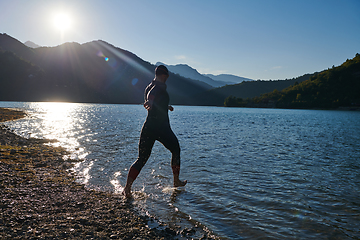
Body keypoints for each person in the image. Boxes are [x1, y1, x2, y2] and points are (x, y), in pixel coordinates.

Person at [122, 65, 187, 198]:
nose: (167, 78)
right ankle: (176, 181)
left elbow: (153, 96)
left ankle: (127, 188)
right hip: (161, 127)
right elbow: (153, 93)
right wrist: (150, 102)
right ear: (164, 75)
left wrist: (164, 106)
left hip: (149, 126)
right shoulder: (159, 86)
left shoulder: (149, 86)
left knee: (141, 158)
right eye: (167, 76)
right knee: (176, 149)